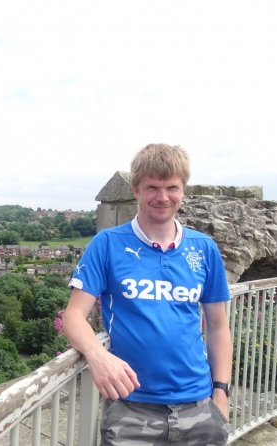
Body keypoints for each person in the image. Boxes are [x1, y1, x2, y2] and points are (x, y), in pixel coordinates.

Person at [62, 143, 232, 445]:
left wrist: (221, 392)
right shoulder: (108, 243)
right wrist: (97, 354)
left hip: (200, 405)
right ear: (136, 189)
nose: (163, 197)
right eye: (152, 187)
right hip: (131, 407)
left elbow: (218, 326)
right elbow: (73, 316)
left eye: (172, 187)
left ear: (183, 190)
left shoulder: (204, 248)